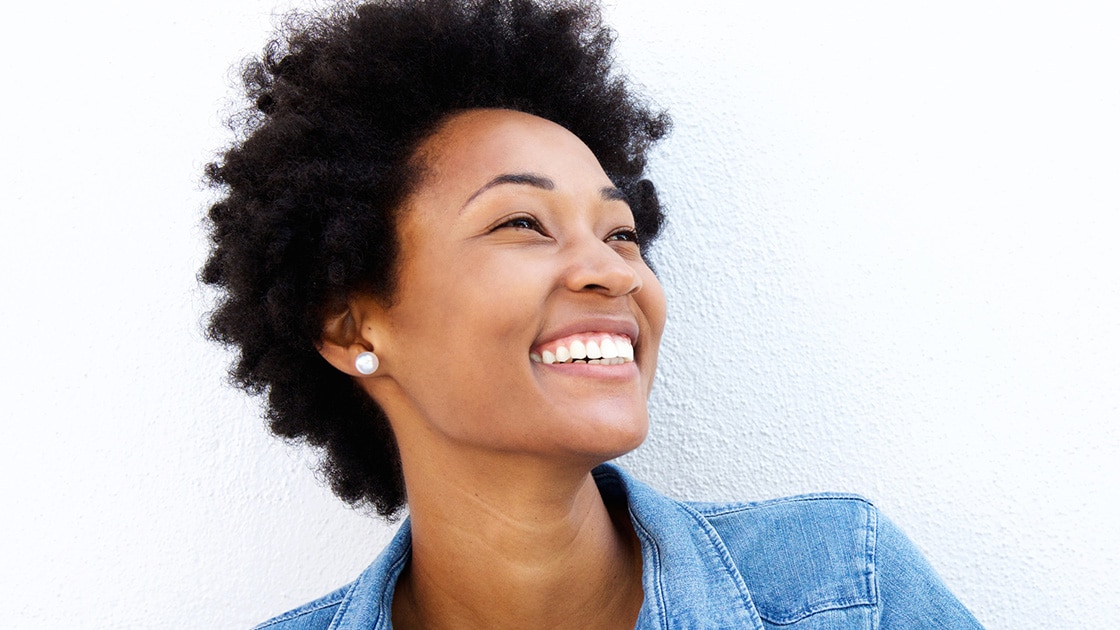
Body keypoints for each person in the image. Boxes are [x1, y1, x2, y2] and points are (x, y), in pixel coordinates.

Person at [202, 0, 984, 627]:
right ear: (352, 325)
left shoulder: (844, 589)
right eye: (522, 223)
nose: (611, 271)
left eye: (621, 234)